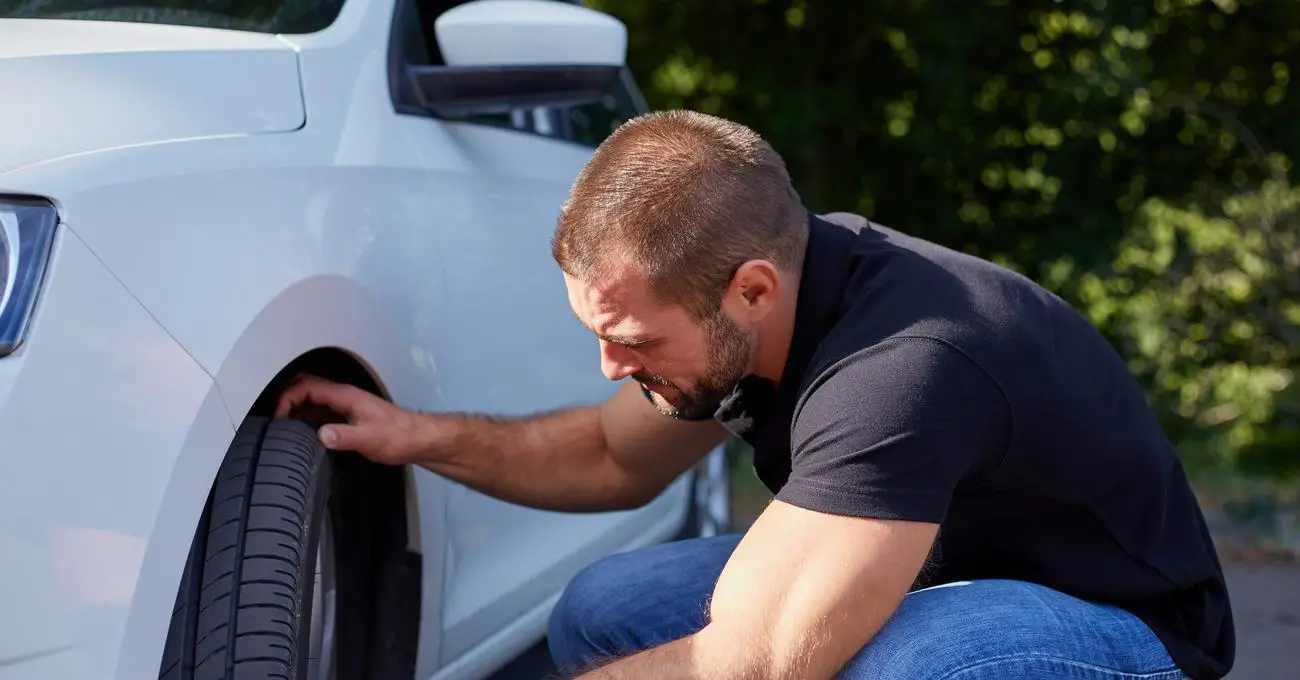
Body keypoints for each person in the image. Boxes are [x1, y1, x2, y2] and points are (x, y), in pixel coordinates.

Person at [276, 110, 1234, 680]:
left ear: (752, 290)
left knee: (906, 668)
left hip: (1116, 626)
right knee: (607, 607)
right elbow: (611, 455)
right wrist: (413, 433)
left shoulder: (906, 363)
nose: (614, 367)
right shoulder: (764, 305)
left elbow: (757, 661)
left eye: (634, 341)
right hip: (945, 564)